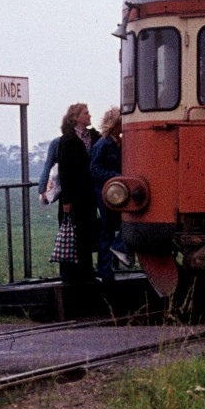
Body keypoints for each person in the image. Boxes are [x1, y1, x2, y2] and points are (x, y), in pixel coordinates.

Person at [55, 103, 100, 287]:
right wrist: (67, 200)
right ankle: (69, 276)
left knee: (86, 233)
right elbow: (64, 171)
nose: (89, 115)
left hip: (88, 194)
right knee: (71, 233)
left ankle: (87, 273)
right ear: (76, 118)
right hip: (74, 195)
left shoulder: (94, 136)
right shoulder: (67, 140)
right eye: (86, 113)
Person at [89, 106, 133, 280]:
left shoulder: (118, 143)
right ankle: (106, 269)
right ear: (115, 123)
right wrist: (117, 177)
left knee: (115, 226)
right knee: (108, 230)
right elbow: (94, 169)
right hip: (106, 193)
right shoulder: (103, 144)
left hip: (116, 192)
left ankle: (107, 268)